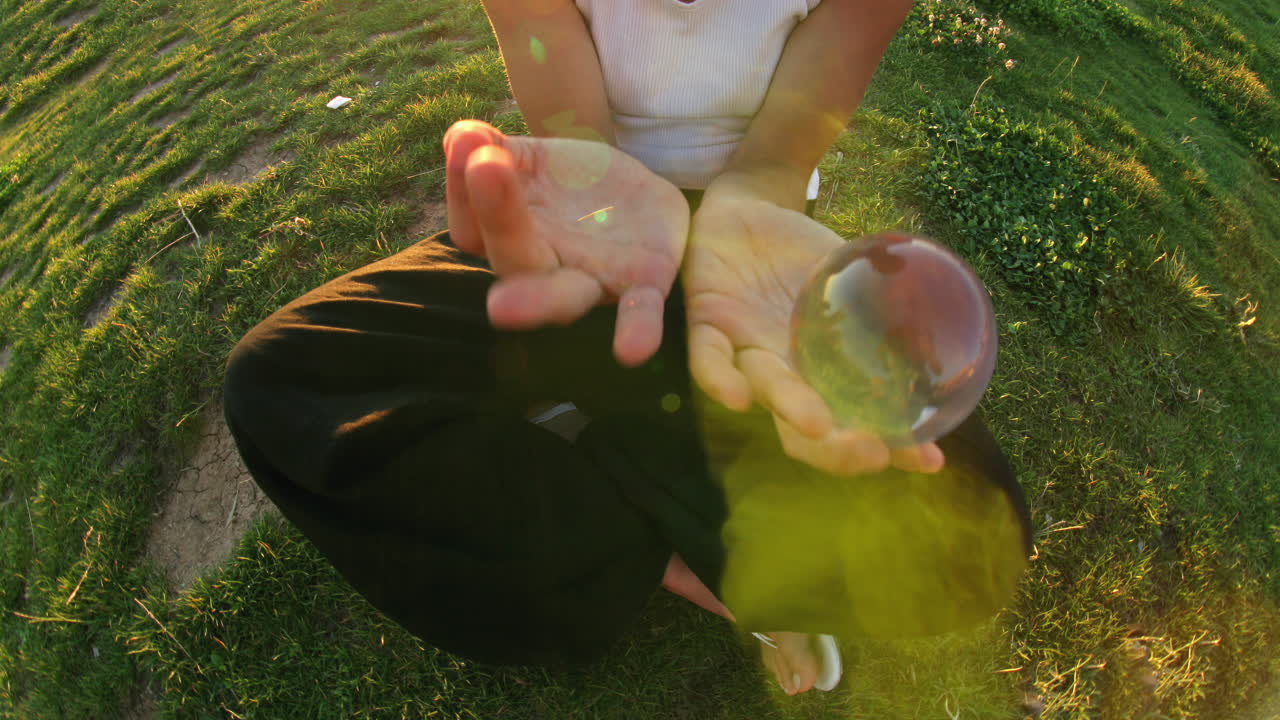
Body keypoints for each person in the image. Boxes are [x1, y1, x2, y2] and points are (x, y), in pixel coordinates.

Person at [223, 0, 1032, 698]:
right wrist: (604, 190)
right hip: (595, 227)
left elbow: (781, 152)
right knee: (280, 382)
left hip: (754, 247)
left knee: (976, 544)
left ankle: (636, 469)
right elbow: (576, 119)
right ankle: (685, 561)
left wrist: (750, 195)